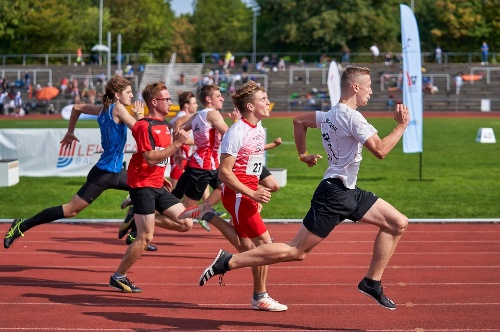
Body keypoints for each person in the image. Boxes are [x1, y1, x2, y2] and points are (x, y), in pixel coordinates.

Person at [199, 66, 410, 311]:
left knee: (397, 222)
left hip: (348, 190)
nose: (371, 92)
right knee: (296, 251)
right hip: (334, 194)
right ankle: (230, 261)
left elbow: (299, 121)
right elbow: (381, 150)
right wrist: (402, 126)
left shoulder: (330, 114)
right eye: (369, 87)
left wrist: (303, 155)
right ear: (355, 87)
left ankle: (371, 282)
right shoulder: (352, 117)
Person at [3, 76, 145, 249]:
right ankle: (20, 226)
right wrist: (140, 116)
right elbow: (140, 130)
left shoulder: (103, 109)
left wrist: (70, 132)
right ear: (117, 95)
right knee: (70, 210)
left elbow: (77, 107)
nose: (131, 95)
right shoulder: (118, 109)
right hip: (104, 174)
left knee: (148, 188)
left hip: (116, 172)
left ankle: (135, 232)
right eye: (128, 92)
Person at [109, 82, 192, 293]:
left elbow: (157, 160)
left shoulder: (163, 124)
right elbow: (150, 157)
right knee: (146, 237)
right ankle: (119, 276)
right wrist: (177, 144)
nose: (171, 102)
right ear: (155, 102)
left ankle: (134, 216)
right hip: (142, 185)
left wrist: (161, 176)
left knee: (186, 223)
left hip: (156, 183)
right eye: (167, 99)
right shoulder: (142, 126)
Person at [170, 85, 229, 230]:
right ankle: (143, 215)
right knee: (183, 210)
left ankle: (141, 209)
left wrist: (177, 151)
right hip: (203, 168)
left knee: (229, 187)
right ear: (208, 99)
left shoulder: (198, 115)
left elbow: (178, 129)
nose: (222, 98)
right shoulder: (212, 114)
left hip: (201, 164)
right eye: (218, 95)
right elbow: (230, 134)